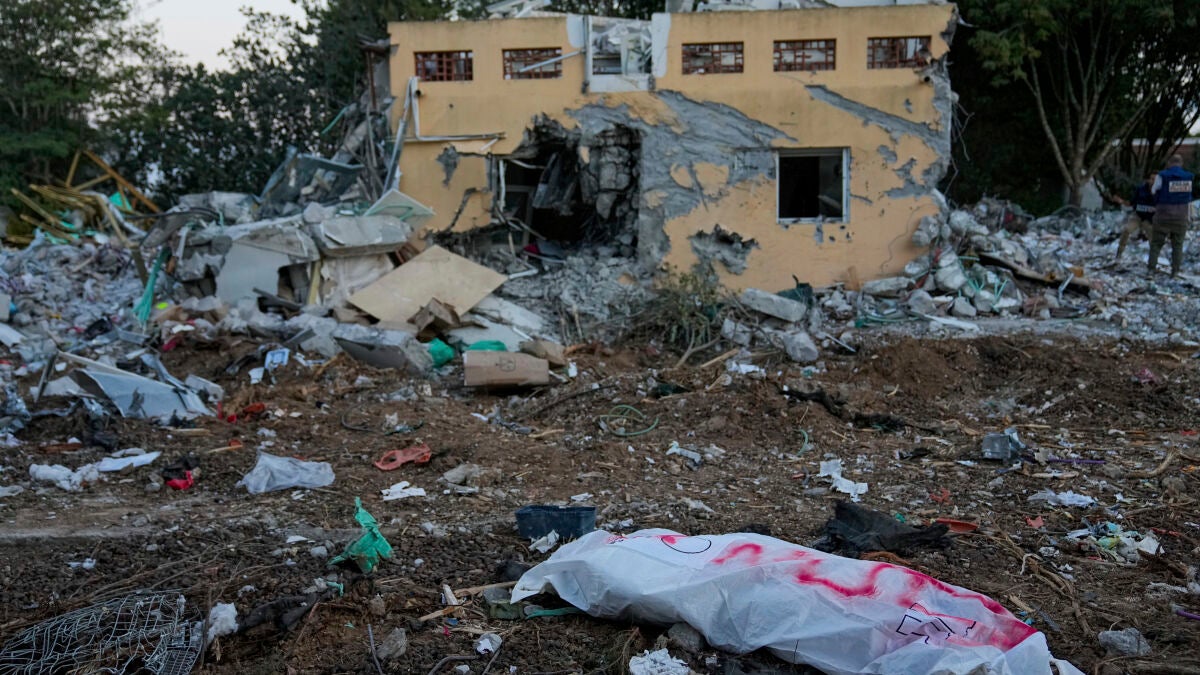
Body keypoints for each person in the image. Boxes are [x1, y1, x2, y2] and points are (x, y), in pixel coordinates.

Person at [1149, 154, 1195, 277]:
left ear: (1169, 163)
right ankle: (1175, 272)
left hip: (1163, 215)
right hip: (1181, 216)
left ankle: (1151, 271)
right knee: (1177, 245)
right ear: (1181, 163)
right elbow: (1189, 198)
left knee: (1156, 244)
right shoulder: (1189, 177)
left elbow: (1153, 190)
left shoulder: (1162, 175)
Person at [1116, 172, 1157, 260]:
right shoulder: (1141, 189)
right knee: (1127, 230)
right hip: (1138, 216)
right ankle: (1119, 253)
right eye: (1152, 179)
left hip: (1149, 219)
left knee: (1153, 238)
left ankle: (1153, 259)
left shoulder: (1160, 191)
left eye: (1156, 180)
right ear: (1148, 180)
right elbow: (1132, 202)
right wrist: (1122, 201)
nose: (1153, 181)